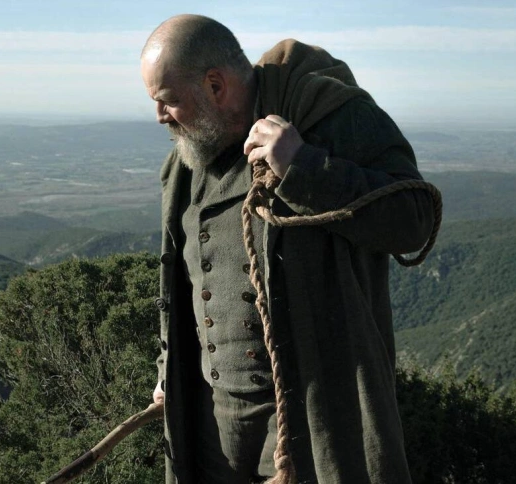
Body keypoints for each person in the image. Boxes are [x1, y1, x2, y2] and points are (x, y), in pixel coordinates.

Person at [141, 14, 435, 484]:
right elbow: (183, 286)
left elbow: (415, 219)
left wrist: (303, 167)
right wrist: (166, 369)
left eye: (167, 101)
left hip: (317, 434)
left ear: (215, 85)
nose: (159, 116)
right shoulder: (184, 165)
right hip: (214, 437)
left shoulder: (330, 117)